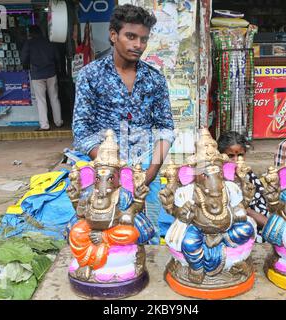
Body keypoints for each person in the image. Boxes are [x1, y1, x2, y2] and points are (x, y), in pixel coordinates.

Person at [72, 4, 175, 244]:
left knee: (147, 233)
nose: (138, 44)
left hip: (146, 166)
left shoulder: (155, 78)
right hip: (103, 171)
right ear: (113, 35)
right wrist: (116, 170)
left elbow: (165, 129)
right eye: (131, 36)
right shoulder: (91, 75)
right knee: (101, 233)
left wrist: (149, 173)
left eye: (143, 39)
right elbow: (82, 132)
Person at [217, 131, 269, 243]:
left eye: (240, 155)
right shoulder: (216, 177)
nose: (236, 160)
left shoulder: (248, 174)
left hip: (253, 222)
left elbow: (260, 207)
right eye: (231, 156)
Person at [21, 25, 63, 131]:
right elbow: (57, 57)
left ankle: (44, 125)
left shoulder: (29, 43)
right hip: (51, 73)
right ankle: (58, 122)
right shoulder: (49, 42)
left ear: (31, 33)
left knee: (41, 100)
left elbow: (24, 59)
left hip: (37, 75)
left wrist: (26, 67)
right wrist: (58, 69)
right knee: (54, 97)